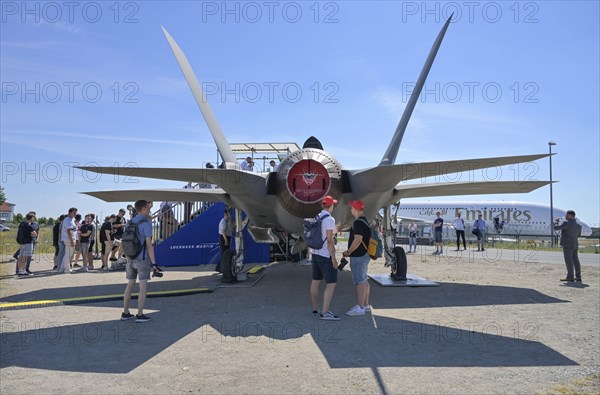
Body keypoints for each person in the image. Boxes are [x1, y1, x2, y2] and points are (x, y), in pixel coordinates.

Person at [121, 199, 158, 323]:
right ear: (143, 209)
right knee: (143, 286)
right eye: (148, 208)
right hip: (142, 258)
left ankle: (125, 312)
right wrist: (154, 264)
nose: (149, 210)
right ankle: (140, 314)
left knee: (130, 284)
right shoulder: (145, 224)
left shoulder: (130, 222)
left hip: (130, 258)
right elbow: (149, 245)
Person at [310, 195, 341, 321]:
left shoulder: (317, 217)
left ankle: (314, 308)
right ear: (331, 206)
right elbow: (329, 240)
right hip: (325, 255)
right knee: (331, 283)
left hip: (315, 254)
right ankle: (325, 312)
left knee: (315, 281)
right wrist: (333, 258)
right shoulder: (329, 219)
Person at [342, 200, 372, 316]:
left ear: (355, 209)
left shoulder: (358, 223)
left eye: (352, 208)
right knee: (364, 280)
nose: (351, 210)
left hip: (358, 256)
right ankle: (365, 305)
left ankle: (360, 307)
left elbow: (358, 239)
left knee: (359, 282)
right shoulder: (365, 221)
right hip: (364, 255)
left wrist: (349, 251)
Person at [554, 210, 583, 282]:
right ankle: (578, 276)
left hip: (567, 244)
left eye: (567, 215)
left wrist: (555, 222)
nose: (565, 216)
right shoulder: (579, 226)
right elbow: (578, 235)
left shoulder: (566, 223)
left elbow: (556, 228)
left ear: (570, 216)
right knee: (576, 260)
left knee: (568, 261)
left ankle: (570, 277)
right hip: (575, 244)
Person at [58, 207, 77, 273]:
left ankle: (62, 268)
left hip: (69, 239)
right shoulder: (68, 220)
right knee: (68, 255)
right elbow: (69, 231)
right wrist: (71, 240)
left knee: (67, 254)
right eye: (74, 212)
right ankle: (66, 269)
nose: (75, 214)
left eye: (76, 212)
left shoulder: (71, 219)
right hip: (69, 239)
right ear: (70, 212)